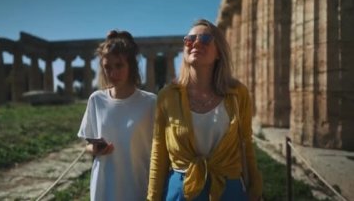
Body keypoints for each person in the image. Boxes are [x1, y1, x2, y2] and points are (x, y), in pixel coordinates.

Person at [147, 19, 263, 201]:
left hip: (228, 189)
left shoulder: (238, 93)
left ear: (219, 52)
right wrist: (152, 198)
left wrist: (255, 189)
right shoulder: (167, 96)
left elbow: (246, 144)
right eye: (189, 39)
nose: (196, 43)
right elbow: (158, 152)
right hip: (182, 189)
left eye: (205, 39)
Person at [77, 30, 156, 201]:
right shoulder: (96, 100)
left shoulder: (150, 103)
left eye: (119, 65)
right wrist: (95, 149)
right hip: (104, 188)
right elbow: (88, 146)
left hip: (139, 189)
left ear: (131, 65)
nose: (113, 73)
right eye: (107, 67)